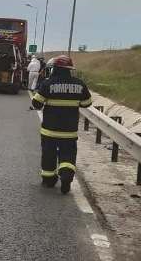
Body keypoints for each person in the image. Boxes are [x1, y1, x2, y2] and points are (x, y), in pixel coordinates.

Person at [31, 55, 92, 194]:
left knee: (49, 155)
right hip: (69, 132)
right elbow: (87, 103)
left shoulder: (48, 83)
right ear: (70, 69)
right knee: (68, 155)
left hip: (49, 131)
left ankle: (49, 180)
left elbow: (36, 104)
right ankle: (66, 175)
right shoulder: (79, 84)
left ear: (55, 69)